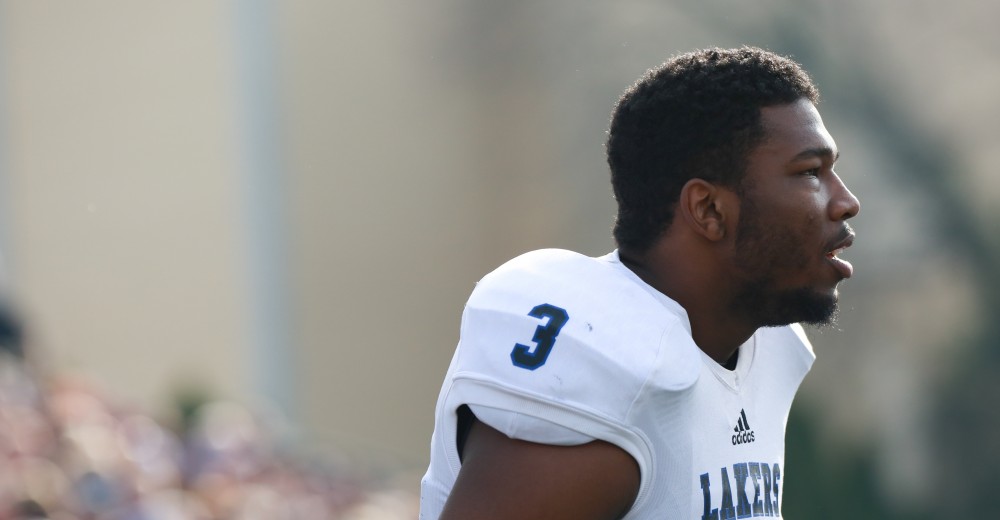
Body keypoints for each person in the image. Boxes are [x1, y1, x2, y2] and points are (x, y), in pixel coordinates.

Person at [420, 46, 860, 519]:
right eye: (811, 173)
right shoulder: (602, 365)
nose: (846, 202)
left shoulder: (768, 348)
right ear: (709, 210)